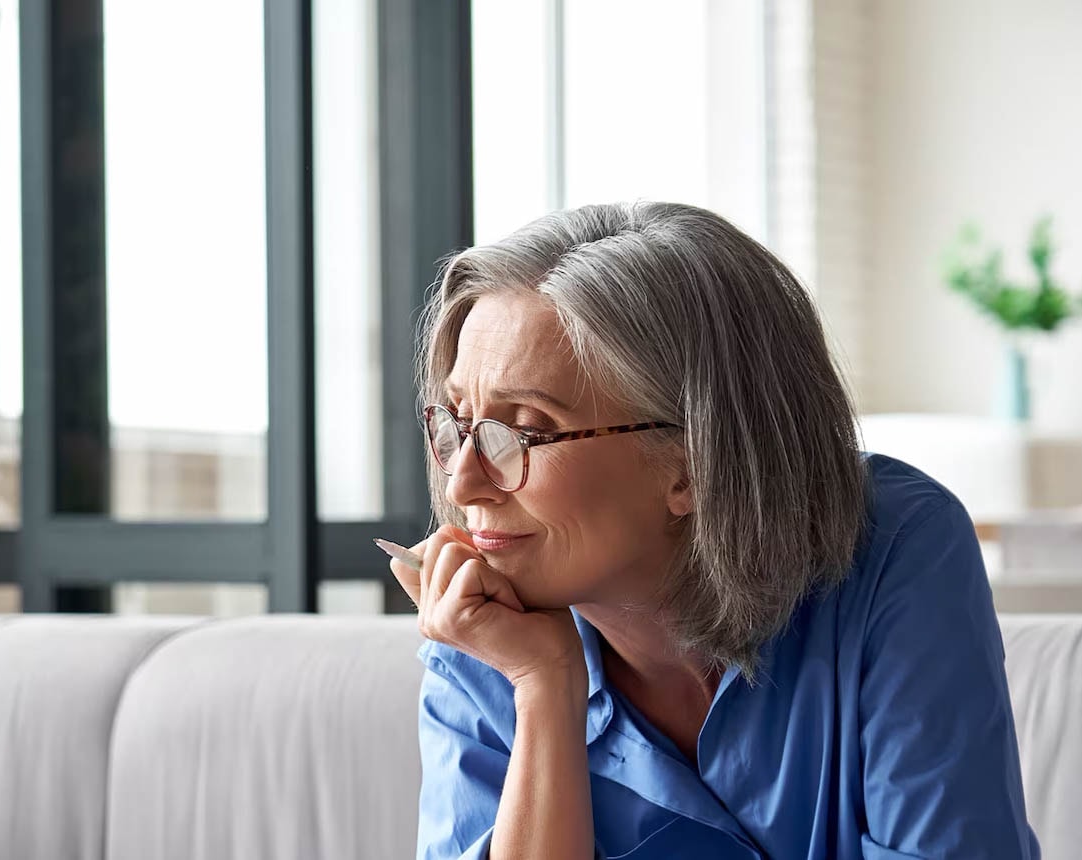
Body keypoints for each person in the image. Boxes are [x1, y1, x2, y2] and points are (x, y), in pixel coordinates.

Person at [383, 202, 1038, 859]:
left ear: (695, 463)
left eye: (524, 430)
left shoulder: (898, 550)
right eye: (458, 423)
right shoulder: (483, 632)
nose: (463, 485)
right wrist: (546, 691)